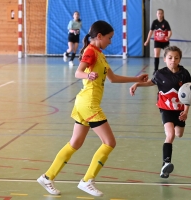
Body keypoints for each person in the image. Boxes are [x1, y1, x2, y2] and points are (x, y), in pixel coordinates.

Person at [38, 20, 148, 197]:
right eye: (109, 38)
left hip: (83, 104)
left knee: (75, 143)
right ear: (99, 36)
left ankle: (47, 176)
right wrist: (88, 74)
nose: (111, 41)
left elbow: (112, 78)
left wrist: (136, 79)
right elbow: (78, 72)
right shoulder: (91, 51)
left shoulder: (99, 53)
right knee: (109, 142)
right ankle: (87, 180)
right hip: (89, 104)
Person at [129, 46, 191, 179]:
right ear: (164, 59)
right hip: (165, 109)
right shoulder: (160, 73)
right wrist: (137, 84)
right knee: (171, 135)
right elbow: (150, 82)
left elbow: (189, 95)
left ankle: (166, 163)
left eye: (176, 58)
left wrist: (186, 111)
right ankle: (166, 164)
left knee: (179, 134)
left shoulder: (185, 74)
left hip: (180, 110)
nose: (173, 60)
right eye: (170, 58)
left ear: (180, 59)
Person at [144, 8, 172, 74]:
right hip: (157, 41)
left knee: (167, 55)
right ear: (156, 14)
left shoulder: (165, 23)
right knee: (156, 54)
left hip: (165, 42)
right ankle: (156, 70)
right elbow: (150, 32)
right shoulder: (154, 22)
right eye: (158, 13)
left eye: (161, 13)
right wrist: (147, 41)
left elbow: (170, 31)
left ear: (163, 14)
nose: (160, 15)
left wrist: (168, 37)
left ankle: (169, 69)